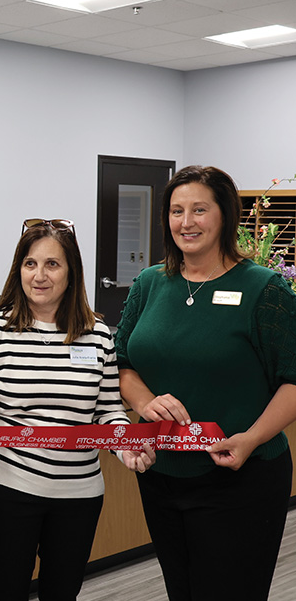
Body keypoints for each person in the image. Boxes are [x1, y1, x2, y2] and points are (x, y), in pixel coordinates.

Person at [115, 165, 296, 601]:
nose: (186, 222)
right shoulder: (149, 283)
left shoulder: (264, 289)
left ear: (224, 215)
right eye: (177, 210)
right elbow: (122, 364)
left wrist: (251, 439)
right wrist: (146, 403)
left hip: (240, 478)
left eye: (199, 209)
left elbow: (293, 380)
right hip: (162, 475)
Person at [0, 218, 155, 601]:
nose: (40, 275)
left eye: (53, 264)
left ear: (71, 272)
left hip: (79, 494)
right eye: (30, 263)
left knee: (63, 593)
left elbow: (107, 411)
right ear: (18, 269)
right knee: (7, 589)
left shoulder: (97, 334)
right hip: (8, 486)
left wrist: (125, 443)